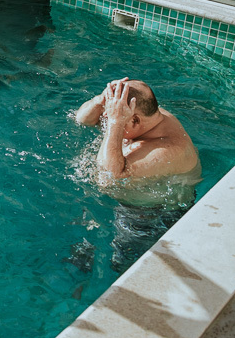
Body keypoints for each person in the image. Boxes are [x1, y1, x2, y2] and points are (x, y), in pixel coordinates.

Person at [75, 78, 201, 271]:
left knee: (119, 266)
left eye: (111, 115)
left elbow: (108, 179)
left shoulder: (167, 149)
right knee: (82, 255)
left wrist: (116, 122)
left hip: (152, 217)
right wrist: (101, 100)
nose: (105, 119)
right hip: (129, 202)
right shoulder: (143, 117)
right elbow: (81, 119)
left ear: (134, 120)